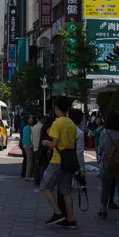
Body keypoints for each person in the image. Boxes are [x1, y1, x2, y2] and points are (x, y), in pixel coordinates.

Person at [40, 97, 79, 229]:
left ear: (57, 108)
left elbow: (55, 144)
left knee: (45, 186)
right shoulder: (71, 124)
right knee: (66, 191)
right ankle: (71, 219)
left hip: (57, 160)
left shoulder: (58, 123)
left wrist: (46, 143)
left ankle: (58, 213)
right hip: (69, 161)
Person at [97, 111, 119, 220]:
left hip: (107, 162)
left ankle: (103, 209)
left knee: (105, 186)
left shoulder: (104, 132)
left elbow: (101, 148)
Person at [31, 115, 45, 185]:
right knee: (43, 165)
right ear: (41, 119)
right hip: (41, 148)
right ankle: (42, 179)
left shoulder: (33, 127)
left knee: (36, 164)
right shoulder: (42, 127)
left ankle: (36, 180)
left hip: (35, 147)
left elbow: (31, 138)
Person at [22, 115, 34, 181]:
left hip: (26, 145)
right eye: (30, 118)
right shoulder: (28, 128)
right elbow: (29, 137)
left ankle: (28, 175)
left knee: (29, 160)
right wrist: (31, 144)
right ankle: (28, 176)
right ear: (27, 120)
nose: (31, 119)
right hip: (28, 145)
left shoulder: (26, 127)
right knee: (30, 161)